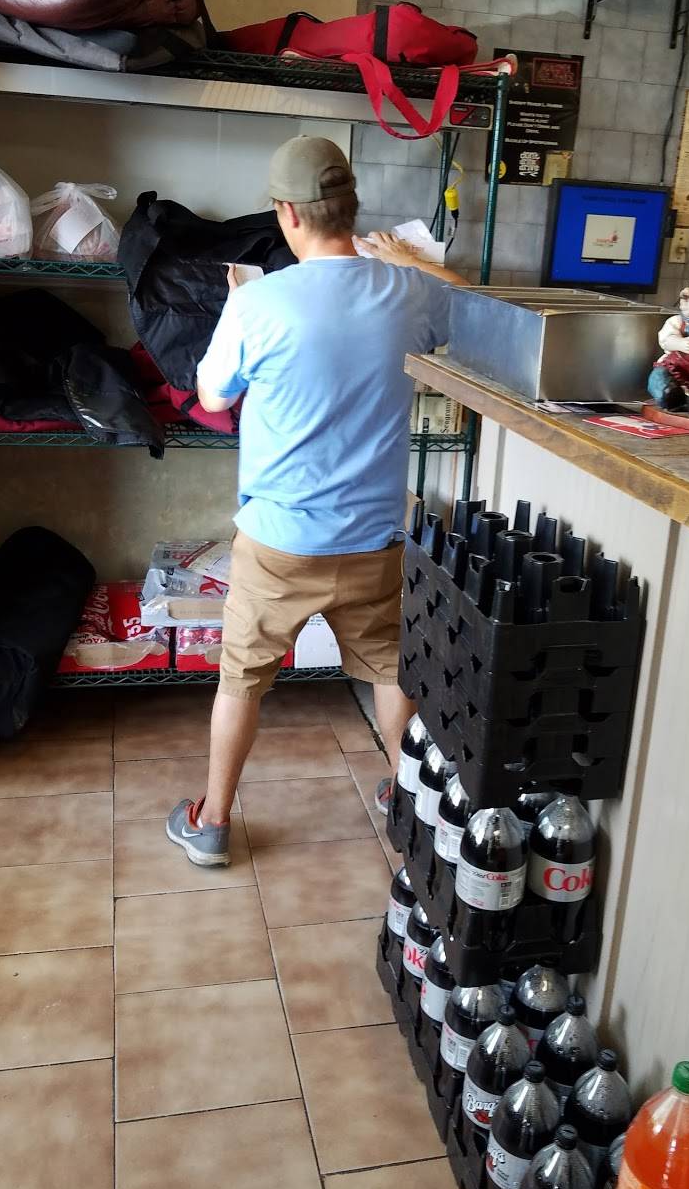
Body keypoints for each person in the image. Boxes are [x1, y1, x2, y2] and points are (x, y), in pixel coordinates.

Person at [166, 135, 467, 866]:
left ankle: (213, 822)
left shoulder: (258, 301)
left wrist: (238, 313)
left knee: (242, 680)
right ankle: (410, 798)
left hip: (279, 543)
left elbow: (212, 396)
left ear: (288, 214)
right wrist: (414, 262)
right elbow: (474, 312)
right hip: (375, 537)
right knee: (391, 669)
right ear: (351, 207)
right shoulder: (409, 292)